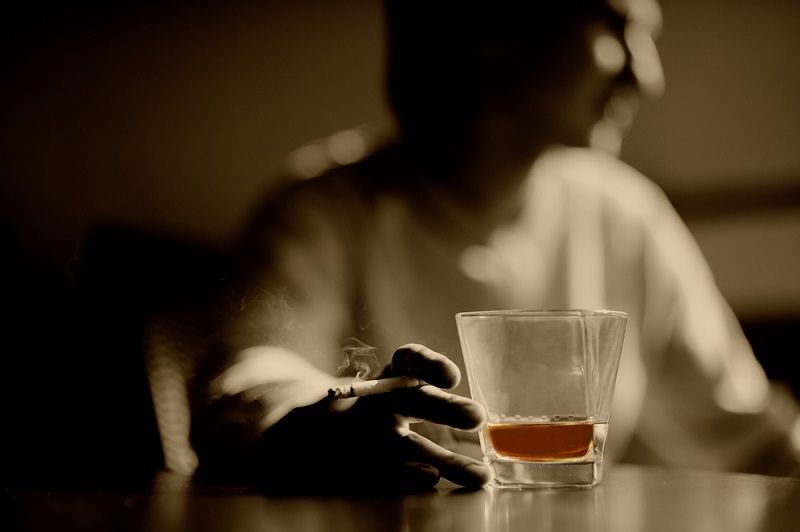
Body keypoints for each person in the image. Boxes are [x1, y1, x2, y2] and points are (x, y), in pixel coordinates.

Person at [191, 0, 800, 491]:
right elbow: (249, 381)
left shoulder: (628, 216)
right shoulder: (324, 209)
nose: (649, 75)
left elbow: (756, 439)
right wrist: (331, 420)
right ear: (496, 22)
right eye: (618, 25)